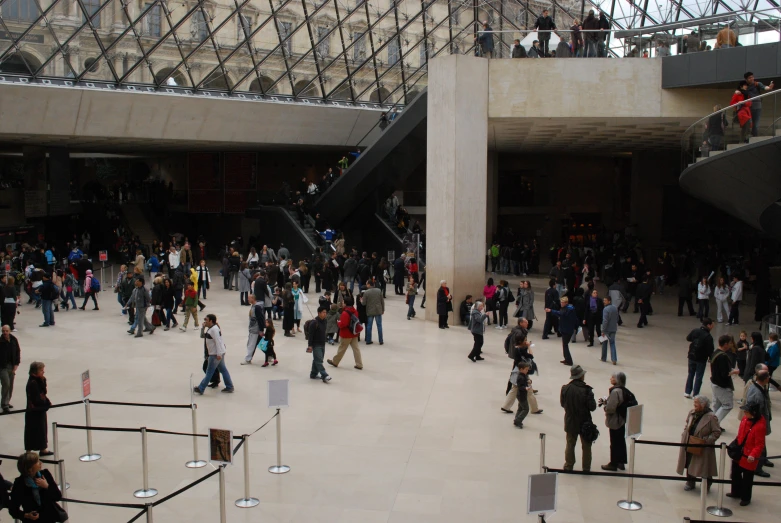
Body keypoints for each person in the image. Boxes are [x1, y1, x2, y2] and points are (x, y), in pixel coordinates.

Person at [677, 395, 721, 491]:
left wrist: (706, 440)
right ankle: (690, 481)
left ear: (703, 404)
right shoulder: (692, 413)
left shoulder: (711, 417)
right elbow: (687, 424)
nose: (694, 405)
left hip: (702, 445)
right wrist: (685, 433)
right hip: (690, 441)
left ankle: (707, 483)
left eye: (696, 403)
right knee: (689, 462)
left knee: (704, 465)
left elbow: (717, 432)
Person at [727, 401, 767, 505]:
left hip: (749, 455)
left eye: (747, 411)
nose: (744, 412)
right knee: (735, 473)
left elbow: (760, 444)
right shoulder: (745, 419)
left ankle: (746, 498)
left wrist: (753, 455)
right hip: (740, 452)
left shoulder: (760, 426)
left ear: (753, 413)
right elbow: (740, 433)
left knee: (747, 479)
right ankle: (736, 492)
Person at [8, 452, 65, 523]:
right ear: (30, 469)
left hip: (49, 518)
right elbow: (13, 509)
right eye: (37, 462)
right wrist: (26, 515)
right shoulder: (19, 484)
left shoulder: (45, 474)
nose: (41, 462)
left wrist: (46, 486)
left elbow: (57, 496)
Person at [561, 365, 597, 471]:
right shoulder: (587, 390)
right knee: (586, 446)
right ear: (581, 376)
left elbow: (563, 404)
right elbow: (592, 407)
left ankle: (569, 465)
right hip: (585, 421)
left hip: (570, 419)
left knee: (570, 444)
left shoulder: (565, 388)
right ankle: (586, 467)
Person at [194, 314, 234, 394]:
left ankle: (201, 388)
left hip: (215, 354)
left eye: (207, 320)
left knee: (209, 372)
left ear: (211, 321)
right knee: (223, 369)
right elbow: (203, 336)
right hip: (218, 353)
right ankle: (229, 386)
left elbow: (218, 342)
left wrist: (218, 354)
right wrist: (203, 327)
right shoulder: (211, 329)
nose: (205, 321)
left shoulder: (214, 330)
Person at [600, 372, 627, 471]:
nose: (610, 378)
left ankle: (613, 463)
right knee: (620, 441)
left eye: (613, 377)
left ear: (617, 380)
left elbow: (611, 408)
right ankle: (621, 462)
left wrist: (605, 407)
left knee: (614, 442)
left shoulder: (615, 391)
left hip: (615, 421)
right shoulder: (623, 390)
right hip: (621, 420)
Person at [711, 334, 741, 424]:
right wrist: (734, 372)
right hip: (721, 385)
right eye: (730, 343)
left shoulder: (715, 352)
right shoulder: (723, 356)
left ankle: (710, 422)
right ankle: (714, 424)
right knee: (727, 405)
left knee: (717, 405)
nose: (731, 345)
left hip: (714, 382)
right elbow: (724, 374)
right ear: (725, 344)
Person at [327, 296, 363, 370]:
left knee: (341, 348)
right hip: (354, 333)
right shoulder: (355, 311)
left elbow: (343, 324)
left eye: (343, 302)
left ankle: (335, 362)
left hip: (346, 334)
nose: (342, 303)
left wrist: (338, 322)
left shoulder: (345, 313)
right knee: (356, 349)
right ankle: (359, 364)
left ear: (346, 304)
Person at [24, 362, 52, 455]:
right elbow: (36, 398)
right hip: (34, 410)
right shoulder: (32, 383)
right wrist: (45, 404)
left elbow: (44, 392)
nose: (43, 372)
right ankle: (29, 450)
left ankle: (43, 448)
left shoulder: (39, 380)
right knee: (32, 430)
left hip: (40, 410)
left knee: (42, 429)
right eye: (41, 370)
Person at [684, 318, 715, 398]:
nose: (713, 326)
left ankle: (687, 391)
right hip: (701, 359)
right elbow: (710, 350)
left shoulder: (695, 331)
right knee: (699, 376)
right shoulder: (708, 337)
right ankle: (696, 394)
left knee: (690, 374)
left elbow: (688, 338)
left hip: (691, 356)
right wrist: (711, 358)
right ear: (708, 325)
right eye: (712, 325)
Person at [546, 297, 577, 365]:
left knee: (565, 345)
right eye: (561, 302)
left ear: (566, 303)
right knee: (564, 344)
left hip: (567, 329)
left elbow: (561, 314)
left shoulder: (568, 309)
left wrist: (551, 311)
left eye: (562, 302)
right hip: (565, 328)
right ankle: (566, 358)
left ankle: (569, 360)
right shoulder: (566, 308)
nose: (561, 304)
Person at [744, 72, 775, 137]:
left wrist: (769, 88)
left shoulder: (757, 84)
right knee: (748, 122)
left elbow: (764, 87)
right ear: (746, 79)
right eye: (749, 78)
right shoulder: (744, 86)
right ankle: (747, 136)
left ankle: (754, 136)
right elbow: (738, 92)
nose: (752, 78)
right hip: (747, 106)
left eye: (752, 77)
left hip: (757, 106)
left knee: (755, 123)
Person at [0, 325, 20, 413]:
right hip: (2, 367)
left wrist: (16, 363)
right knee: (6, 384)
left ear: (10, 331)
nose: (5, 333)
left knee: (11, 384)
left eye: (6, 331)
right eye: (3, 331)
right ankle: (4, 405)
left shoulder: (14, 340)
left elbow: (17, 351)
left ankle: (7, 402)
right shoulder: (0, 341)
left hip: (11, 366)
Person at [308, 307, 331, 382]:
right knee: (319, 361)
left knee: (317, 359)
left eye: (325, 312)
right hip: (316, 344)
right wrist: (310, 345)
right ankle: (324, 375)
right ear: (319, 313)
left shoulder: (325, 321)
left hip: (322, 344)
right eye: (323, 312)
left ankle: (313, 374)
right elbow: (310, 335)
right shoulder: (314, 323)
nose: (325, 314)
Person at [241, 295, 265, 365]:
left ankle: (248, 359)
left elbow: (260, 319)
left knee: (251, 344)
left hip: (255, 330)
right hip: (252, 329)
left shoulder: (257, 307)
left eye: (249, 298)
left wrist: (261, 330)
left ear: (253, 299)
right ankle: (270, 354)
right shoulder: (253, 306)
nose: (248, 299)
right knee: (260, 343)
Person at [513, 361, 532, 428]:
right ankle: (518, 420)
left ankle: (516, 419)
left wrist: (528, 381)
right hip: (522, 395)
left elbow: (525, 381)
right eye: (526, 369)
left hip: (521, 395)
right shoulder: (520, 377)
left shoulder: (523, 376)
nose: (527, 371)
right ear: (521, 369)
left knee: (520, 408)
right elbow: (520, 386)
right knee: (526, 409)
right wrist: (525, 388)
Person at [600, 296, 619, 365]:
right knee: (612, 343)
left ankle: (603, 358)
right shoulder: (615, 308)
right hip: (613, 328)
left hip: (607, 329)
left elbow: (605, 321)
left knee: (604, 343)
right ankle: (614, 359)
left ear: (609, 301)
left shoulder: (605, 309)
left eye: (605, 300)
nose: (604, 302)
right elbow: (617, 318)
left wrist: (603, 330)